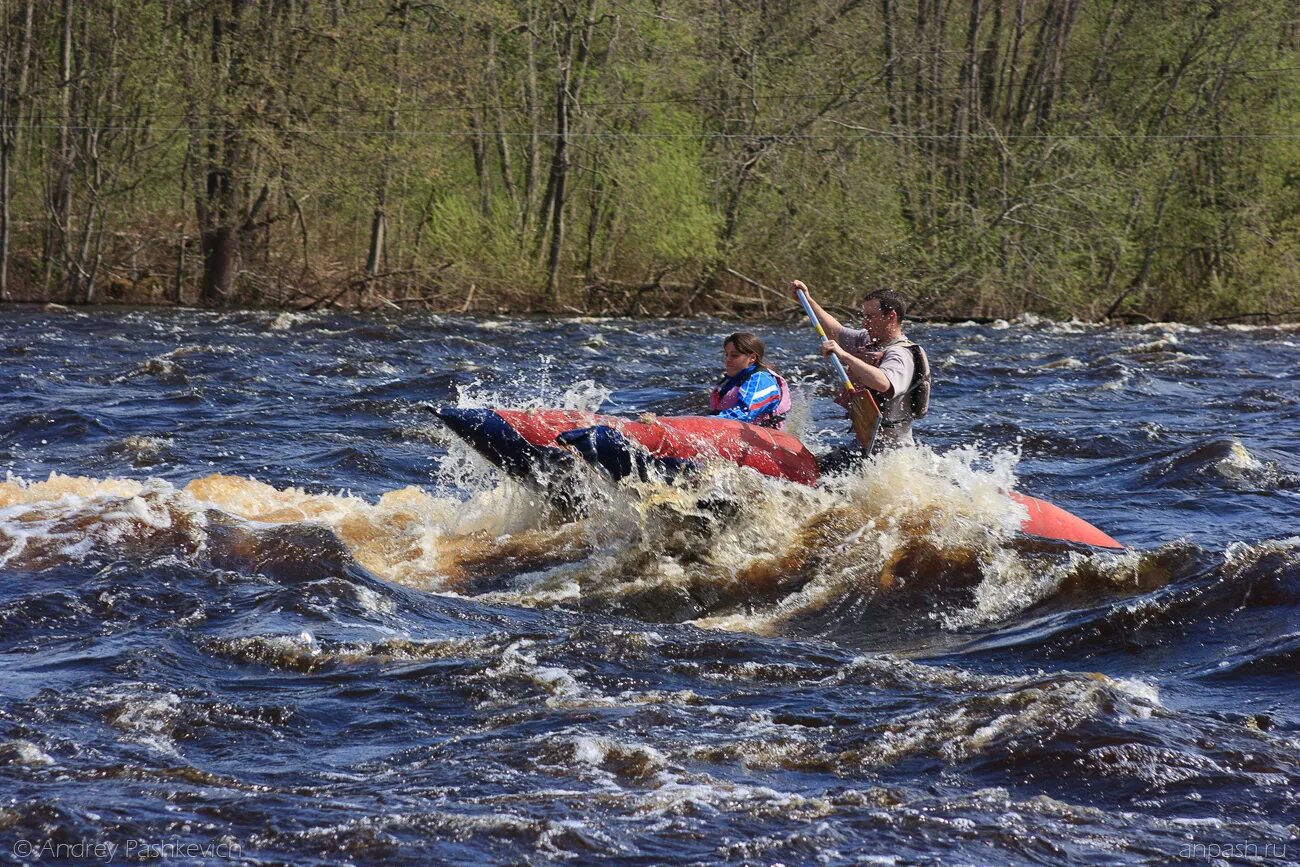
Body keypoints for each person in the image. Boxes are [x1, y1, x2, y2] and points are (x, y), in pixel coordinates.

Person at [789, 280, 930, 473]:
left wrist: (844, 355)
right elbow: (835, 332)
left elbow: (883, 383)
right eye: (864, 316)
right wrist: (807, 299)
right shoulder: (868, 339)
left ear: (891, 317)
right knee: (808, 469)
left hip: (889, 459)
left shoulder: (901, 354)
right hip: (862, 449)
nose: (865, 322)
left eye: (870, 317)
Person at [709, 332, 792, 429]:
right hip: (730, 429)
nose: (728, 359)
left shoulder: (761, 380)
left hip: (766, 434)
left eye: (734, 355)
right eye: (726, 354)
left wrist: (708, 423)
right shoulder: (730, 380)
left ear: (752, 358)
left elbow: (745, 413)